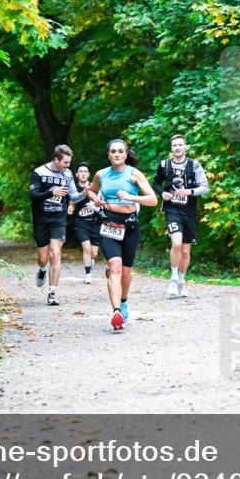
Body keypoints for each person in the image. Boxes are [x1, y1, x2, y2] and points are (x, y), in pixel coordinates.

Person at [87, 139, 158, 331]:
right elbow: (90, 191)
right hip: (109, 224)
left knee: (126, 272)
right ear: (108, 155)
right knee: (114, 266)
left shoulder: (134, 174)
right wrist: (97, 200)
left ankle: (123, 301)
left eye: (120, 151)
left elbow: (153, 200)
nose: (117, 154)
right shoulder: (101, 174)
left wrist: (131, 197)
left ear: (126, 155)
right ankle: (116, 311)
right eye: (113, 151)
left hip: (130, 226)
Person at [152, 133, 210, 298]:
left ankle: (181, 281)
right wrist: (162, 193)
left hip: (189, 212)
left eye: (180, 145)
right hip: (172, 210)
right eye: (174, 145)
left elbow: (205, 187)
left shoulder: (194, 165)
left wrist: (189, 192)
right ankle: (173, 278)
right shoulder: (165, 164)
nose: (177, 148)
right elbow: (155, 183)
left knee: (185, 251)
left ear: (185, 146)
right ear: (171, 148)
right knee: (176, 244)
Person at [30, 144, 83, 306]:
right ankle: (42, 270)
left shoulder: (67, 174)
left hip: (58, 219)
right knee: (43, 258)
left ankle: (52, 293)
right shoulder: (39, 172)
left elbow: (74, 197)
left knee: (56, 253)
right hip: (41, 220)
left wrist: (85, 193)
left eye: (69, 162)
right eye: (65, 162)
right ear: (55, 159)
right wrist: (51, 193)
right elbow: (33, 195)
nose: (68, 166)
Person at [68, 162, 101, 284]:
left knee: (94, 253)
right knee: (86, 247)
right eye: (81, 172)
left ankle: (91, 259)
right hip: (81, 223)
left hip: (95, 222)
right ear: (77, 174)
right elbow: (72, 202)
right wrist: (70, 208)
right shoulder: (74, 189)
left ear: (89, 174)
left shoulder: (95, 187)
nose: (83, 174)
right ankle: (88, 274)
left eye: (85, 172)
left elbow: (102, 200)